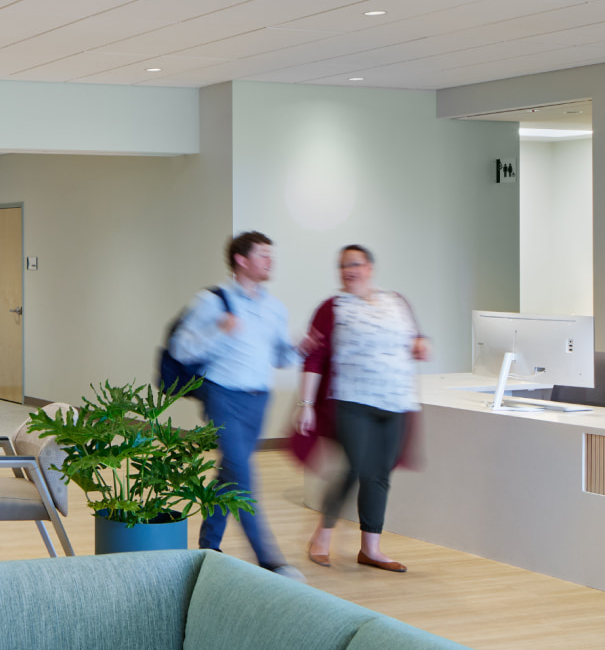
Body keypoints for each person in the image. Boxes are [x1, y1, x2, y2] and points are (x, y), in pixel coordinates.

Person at [166, 231, 302, 577]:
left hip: (258, 399)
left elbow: (279, 357)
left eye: (271, 255)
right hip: (222, 396)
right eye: (262, 255)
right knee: (243, 477)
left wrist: (300, 349)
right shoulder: (213, 301)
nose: (270, 261)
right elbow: (181, 350)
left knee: (230, 474)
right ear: (241, 260)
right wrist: (219, 331)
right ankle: (270, 560)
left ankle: (208, 546)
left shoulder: (274, 308)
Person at [296, 244, 431, 573]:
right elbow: (314, 357)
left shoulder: (396, 302)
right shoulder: (333, 307)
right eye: (343, 266)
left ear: (370, 267)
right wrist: (307, 404)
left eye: (355, 264)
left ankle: (370, 548)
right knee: (355, 467)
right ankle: (321, 537)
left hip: (395, 401)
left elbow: (415, 338)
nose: (349, 270)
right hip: (352, 400)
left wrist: (420, 344)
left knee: (380, 475)